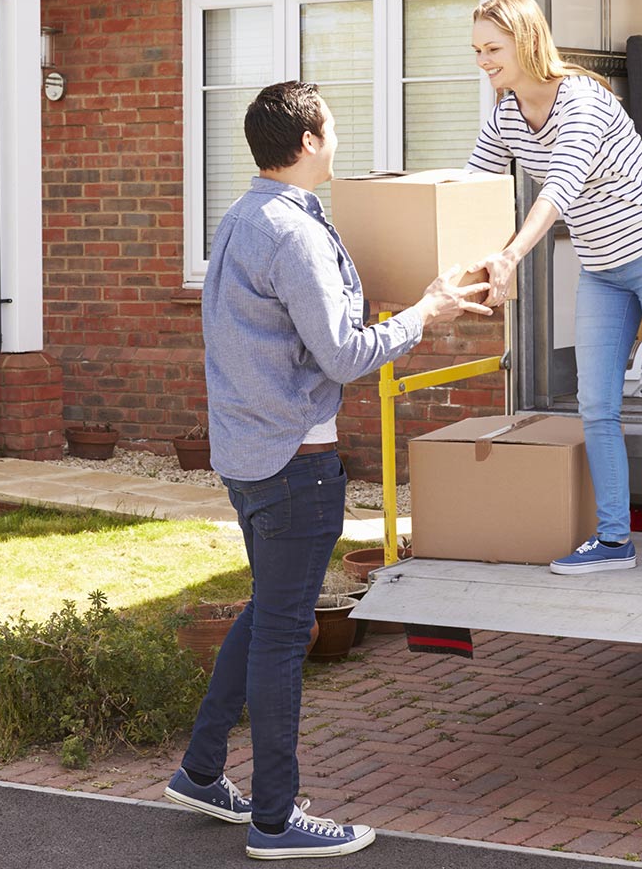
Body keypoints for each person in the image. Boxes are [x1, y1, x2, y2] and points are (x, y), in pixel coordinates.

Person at [164, 81, 492, 859]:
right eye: (334, 128)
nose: (340, 140)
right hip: (293, 466)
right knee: (284, 634)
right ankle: (276, 821)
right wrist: (426, 313)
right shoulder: (295, 233)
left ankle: (201, 773)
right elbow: (343, 355)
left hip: (249, 457)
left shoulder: (245, 218)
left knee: (266, 613)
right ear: (309, 140)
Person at [464, 0, 642, 582]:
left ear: (526, 42)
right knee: (595, 405)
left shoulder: (585, 102)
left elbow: (558, 188)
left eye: (493, 49)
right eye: (478, 51)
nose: (483, 61)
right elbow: (473, 188)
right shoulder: (505, 114)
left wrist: (511, 255)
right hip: (602, 266)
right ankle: (614, 538)